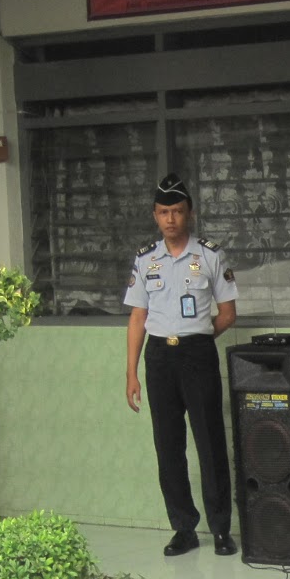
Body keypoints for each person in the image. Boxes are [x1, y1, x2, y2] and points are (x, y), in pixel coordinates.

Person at [124, 174, 238, 558]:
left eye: (176, 211)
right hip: (159, 359)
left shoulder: (209, 255)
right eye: (163, 212)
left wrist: (199, 336)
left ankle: (221, 529)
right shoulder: (145, 260)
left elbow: (227, 313)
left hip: (197, 355)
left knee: (209, 443)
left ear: (189, 213)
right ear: (155, 216)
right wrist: (131, 372)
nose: (170, 219)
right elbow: (137, 318)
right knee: (168, 446)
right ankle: (183, 528)